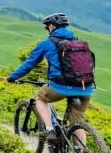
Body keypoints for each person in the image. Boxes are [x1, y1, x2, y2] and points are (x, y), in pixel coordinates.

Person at [6, 13, 94, 143]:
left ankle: (49, 130)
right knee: (76, 123)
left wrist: (12, 77)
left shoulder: (47, 43)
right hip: (86, 87)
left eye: (47, 27)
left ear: (52, 27)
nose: (47, 30)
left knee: (40, 98)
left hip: (61, 86)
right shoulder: (79, 43)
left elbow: (28, 64)